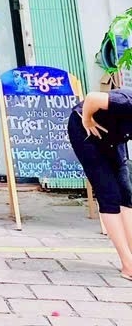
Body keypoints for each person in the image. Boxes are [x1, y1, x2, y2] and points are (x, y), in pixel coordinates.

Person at [68, 87, 132, 279]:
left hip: (113, 136)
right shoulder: (126, 101)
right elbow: (93, 98)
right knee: (109, 194)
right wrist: (87, 120)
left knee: (126, 193)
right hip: (85, 129)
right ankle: (128, 265)